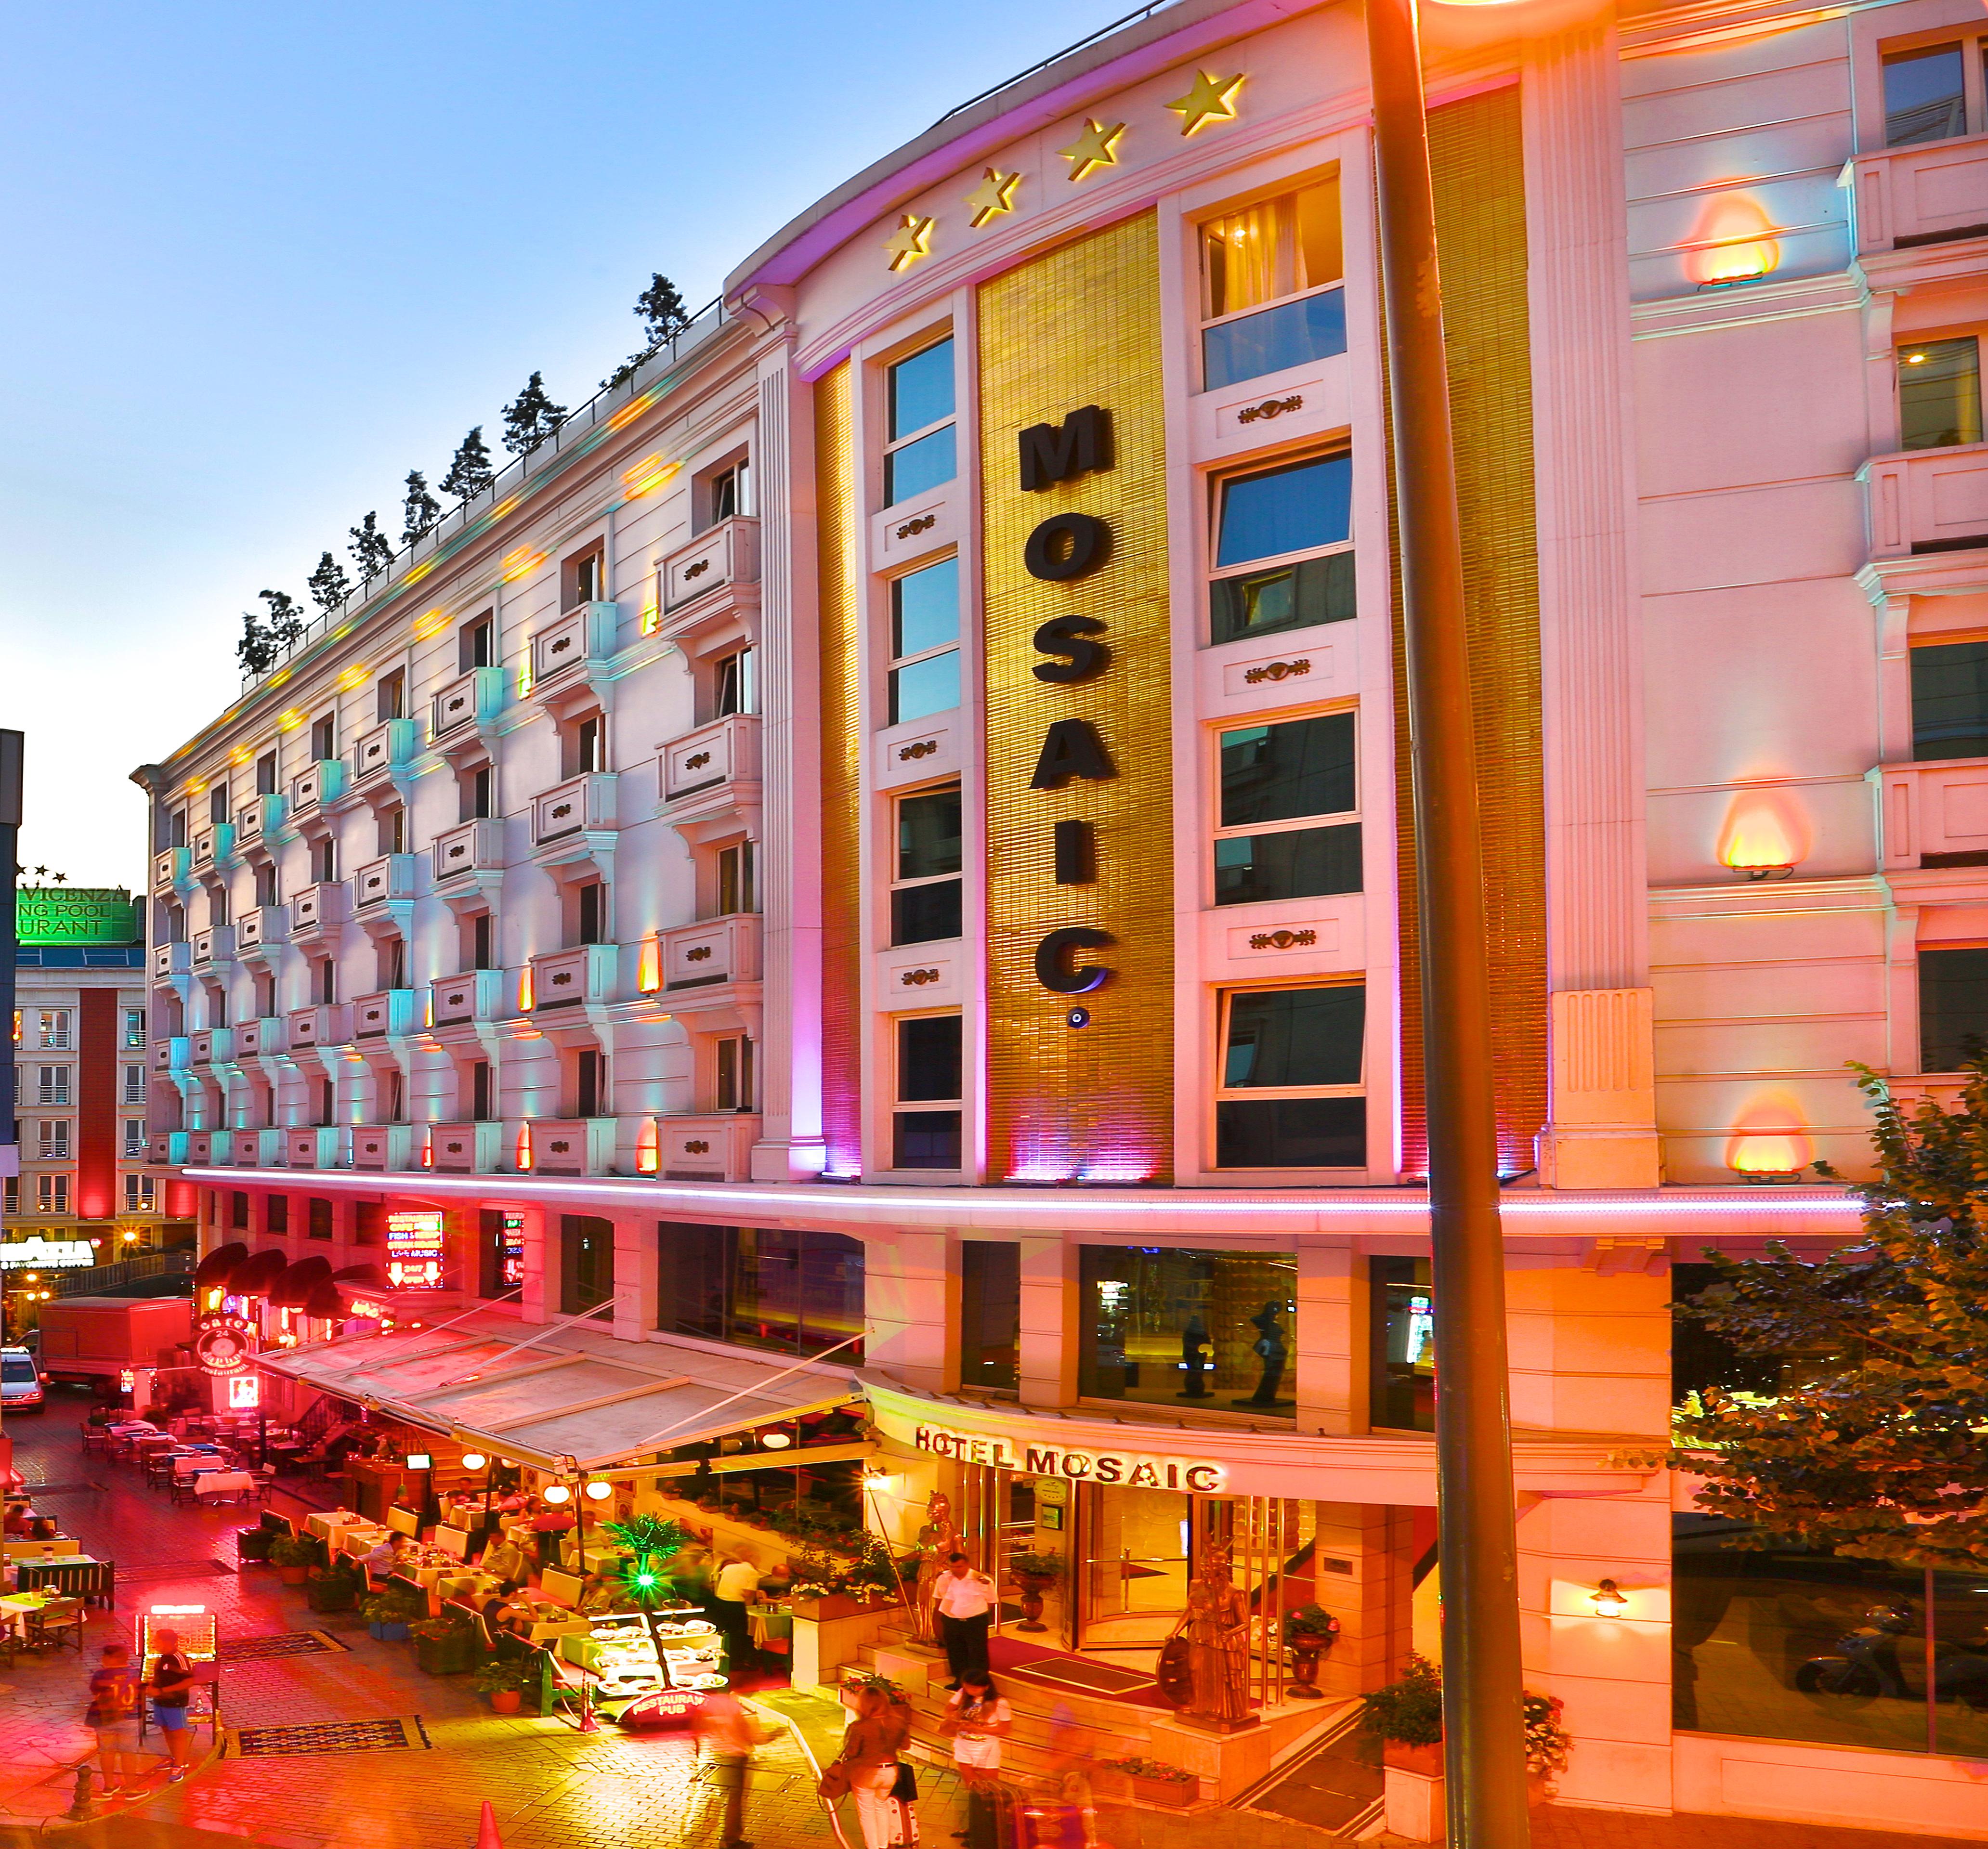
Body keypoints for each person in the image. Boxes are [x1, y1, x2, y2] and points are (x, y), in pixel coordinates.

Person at [831, 1683, 915, 1849]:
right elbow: (906, 1746)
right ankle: (883, 1845)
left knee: (867, 1812)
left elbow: (852, 1752)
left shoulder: (860, 1727)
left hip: (865, 1773)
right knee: (882, 1807)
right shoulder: (899, 1722)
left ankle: (873, 1847)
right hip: (890, 1771)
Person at [692, 1686, 773, 1849]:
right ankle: (730, 1840)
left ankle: (729, 1838)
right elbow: (752, 1735)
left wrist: (699, 1748)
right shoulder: (736, 1708)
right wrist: (771, 1736)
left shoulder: (708, 1705)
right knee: (733, 1801)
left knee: (727, 1798)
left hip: (716, 1755)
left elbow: (698, 1727)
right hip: (735, 1757)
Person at [942, 1673, 1012, 1849]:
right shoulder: (963, 1694)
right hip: (964, 1745)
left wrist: (978, 1727)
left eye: (975, 1688)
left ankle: (991, 1829)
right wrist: (957, 1716)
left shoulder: (999, 1702)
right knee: (973, 1789)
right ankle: (974, 1828)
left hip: (987, 1748)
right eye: (967, 1687)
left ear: (986, 1687)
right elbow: (948, 1709)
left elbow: (1005, 1728)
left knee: (989, 1791)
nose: (970, 1691)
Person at [86, 1643, 145, 1799]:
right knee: (129, 1754)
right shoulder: (136, 1673)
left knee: (106, 1752)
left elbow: (95, 1692)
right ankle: (131, 1788)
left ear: (110, 1658)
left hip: (107, 1719)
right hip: (130, 1718)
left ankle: (109, 1787)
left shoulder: (101, 1675)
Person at [932, 1554, 996, 1690]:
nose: (956, 1570)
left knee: (977, 1652)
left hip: (975, 1621)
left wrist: (975, 1613)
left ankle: (980, 1683)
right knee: (955, 1651)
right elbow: (939, 1598)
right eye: (952, 1567)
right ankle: (960, 1680)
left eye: (959, 1566)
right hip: (951, 1620)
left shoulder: (982, 1580)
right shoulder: (943, 1579)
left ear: (967, 1565)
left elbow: (992, 1601)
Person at [148, 1628, 196, 1779]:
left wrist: (164, 1691)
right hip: (161, 1701)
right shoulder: (163, 1658)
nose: (154, 1643)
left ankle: (180, 1765)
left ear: (167, 1642)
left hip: (175, 1702)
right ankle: (175, 1758)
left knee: (178, 1732)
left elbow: (189, 1681)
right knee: (166, 1729)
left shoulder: (179, 1658)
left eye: (157, 1640)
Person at [711, 1552, 762, 1677]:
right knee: (739, 1633)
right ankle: (737, 1662)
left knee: (724, 1632)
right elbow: (748, 1594)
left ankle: (721, 1659)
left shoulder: (729, 1568)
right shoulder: (753, 1573)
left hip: (719, 1601)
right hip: (734, 1604)